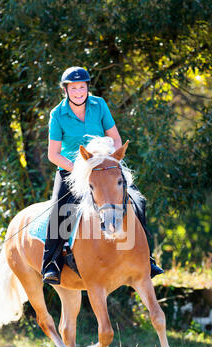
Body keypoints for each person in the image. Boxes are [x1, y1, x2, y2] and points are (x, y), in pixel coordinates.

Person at [41, 66, 163, 284]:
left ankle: (147, 258)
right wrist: (80, 170)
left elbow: (116, 139)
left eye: (82, 87)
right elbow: (53, 154)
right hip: (72, 170)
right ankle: (51, 263)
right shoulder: (57, 115)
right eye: (73, 88)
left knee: (138, 200)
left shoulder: (99, 105)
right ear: (65, 90)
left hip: (104, 167)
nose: (78, 92)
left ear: (87, 87)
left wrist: (111, 159)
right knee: (59, 209)